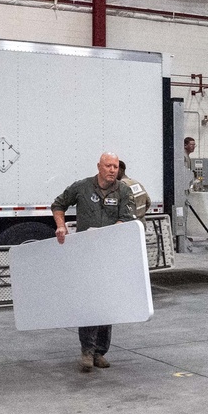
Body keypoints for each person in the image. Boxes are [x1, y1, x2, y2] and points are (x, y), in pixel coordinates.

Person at [52, 152, 137, 372]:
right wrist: (61, 226)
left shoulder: (124, 191)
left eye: (116, 166)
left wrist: (106, 234)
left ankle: (100, 351)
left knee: (105, 303)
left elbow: (126, 220)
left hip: (109, 254)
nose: (112, 170)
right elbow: (58, 204)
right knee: (88, 302)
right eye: (108, 166)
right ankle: (87, 351)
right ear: (99, 166)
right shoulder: (82, 187)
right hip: (86, 255)